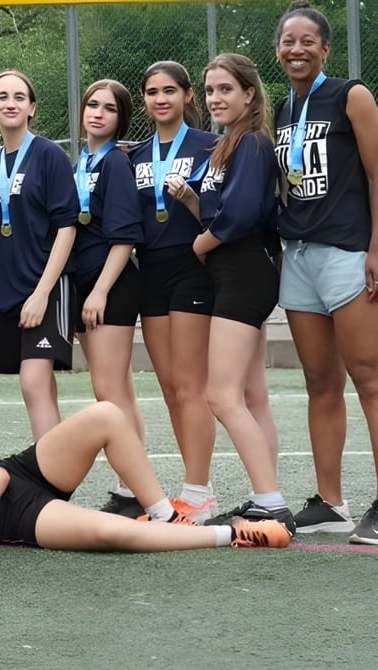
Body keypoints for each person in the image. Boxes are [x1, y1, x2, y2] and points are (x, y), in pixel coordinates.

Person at [0, 370, 291, 554]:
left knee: (106, 415)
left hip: (18, 476)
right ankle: (230, 533)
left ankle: (165, 515)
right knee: (106, 533)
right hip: (13, 518)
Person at [165, 54, 292, 533]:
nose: (217, 98)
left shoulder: (255, 143)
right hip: (231, 271)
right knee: (250, 394)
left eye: (226, 90)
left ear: (249, 95)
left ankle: (270, 501)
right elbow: (219, 209)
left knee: (220, 395)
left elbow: (238, 218)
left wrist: (201, 243)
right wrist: (191, 201)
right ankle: (267, 493)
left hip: (244, 273)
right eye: (212, 90)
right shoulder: (227, 143)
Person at [273, 3, 378, 543]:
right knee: (320, 382)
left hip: (347, 253)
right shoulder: (283, 108)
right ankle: (331, 502)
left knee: (370, 379)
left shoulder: (349, 95)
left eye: (307, 40)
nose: (296, 49)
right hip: (299, 256)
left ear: (325, 48)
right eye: (287, 41)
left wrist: (377, 246)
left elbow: (377, 172)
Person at [129, 61, 219, 521]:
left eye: (169, 90)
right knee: (169, 387)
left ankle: (198, 491)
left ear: (188, 96)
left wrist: (189, 199)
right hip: (151, 272)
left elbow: (225, 214)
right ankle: (193, 489)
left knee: (190, 385)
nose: (160, 99)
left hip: (192, 268)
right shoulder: (137, 155)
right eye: (151, 92)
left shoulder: (212, 146)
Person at [0, 70, 79, 441]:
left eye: (19, 97)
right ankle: (55, 471)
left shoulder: (49, 154)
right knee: (40, 387)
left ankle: (48, 480)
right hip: (7, 294)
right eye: (2, 96)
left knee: (33, 383)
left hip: (46, 287)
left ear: (32, 107)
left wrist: (41, 293)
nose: (10, 103)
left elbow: (67, 227)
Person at [71, 80, 147, 518]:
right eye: (92, 105)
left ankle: (134, 488)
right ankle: (131, 486)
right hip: (85, 284)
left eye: (110, 109)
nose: (98, 113)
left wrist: (100, 291)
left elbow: (125, 237)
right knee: (119, 390)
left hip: (110, 285)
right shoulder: (78, 162)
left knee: (109, 390)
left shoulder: (116, 162)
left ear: (121, 119)